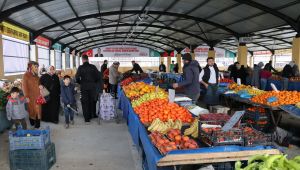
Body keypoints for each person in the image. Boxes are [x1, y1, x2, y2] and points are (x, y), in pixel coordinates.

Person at [76, 55, 102, 123]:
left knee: (85, 102)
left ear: (82, 60)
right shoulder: (93, 67)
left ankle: (86, 118)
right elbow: (98, 76)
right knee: (92, 101)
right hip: (92, 87)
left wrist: (81, 82)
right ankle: (92, 115)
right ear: (88, 59)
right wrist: (94, 82)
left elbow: (77, 78)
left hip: (84, 87)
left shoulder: (80, 67)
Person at [22, 61, 41, 129]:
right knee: (31, 110)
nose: (37, 68)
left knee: (38, 110)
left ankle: (37, 124)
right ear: (31, 67)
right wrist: (26, 96)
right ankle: (32, 122)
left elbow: (39, 84)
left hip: (38, 96)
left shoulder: (36, 76)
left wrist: (41, 86)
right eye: (35, 67)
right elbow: (24, 87)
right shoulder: (26, 75)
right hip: (30, 96)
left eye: (37, 67)